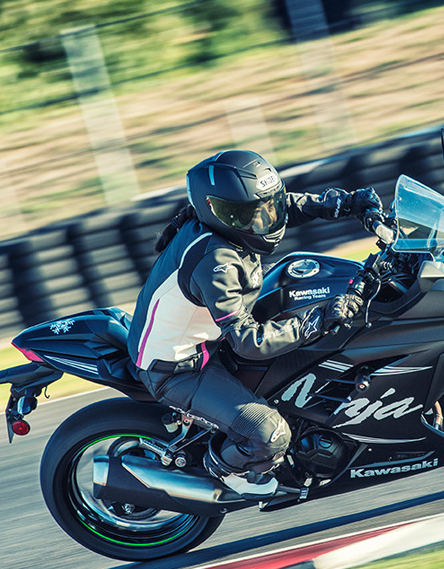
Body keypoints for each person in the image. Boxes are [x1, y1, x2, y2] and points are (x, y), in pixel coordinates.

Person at [127, 149, 381, 498]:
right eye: (253, 213)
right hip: (179, 369)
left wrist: (342, 204)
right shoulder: (216, 263)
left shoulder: (229, 224)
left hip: (209, 341)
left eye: (267, 206)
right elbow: (249, 342)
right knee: (270, 434)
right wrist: (318, 320)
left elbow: (282, 207)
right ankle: (222, 469)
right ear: (222, 212)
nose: (266, 220)